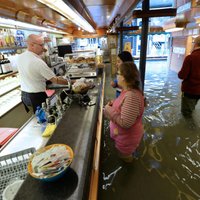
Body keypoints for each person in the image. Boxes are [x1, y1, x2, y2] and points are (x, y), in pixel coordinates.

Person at [16, 34, 69, 113]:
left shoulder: (20, 57)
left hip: (24, 95)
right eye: (41, 45)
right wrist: (71, 82)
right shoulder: (37, 62)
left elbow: (31, 73)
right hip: (36, 96)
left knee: (37, 115)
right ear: (32, 45)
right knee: (45, 116)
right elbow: (56, 81)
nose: (44, 48)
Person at [104, 62, 145, 162]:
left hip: (127, 140)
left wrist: (109, 110)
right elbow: (123, 105)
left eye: (118, 73)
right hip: (123, 137)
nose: (116, 76)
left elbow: (125, 123)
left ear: (123, 77)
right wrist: (114, 104)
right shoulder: (127, 91)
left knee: (125, 159)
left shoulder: (131, 96)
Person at [178, 36, 200, 118]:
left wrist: (179, 73)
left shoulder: (191, 57)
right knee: (193, 109)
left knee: (186, 114)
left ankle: (190, 129)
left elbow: (182, 75)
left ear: (196, 44)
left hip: (191, 90)